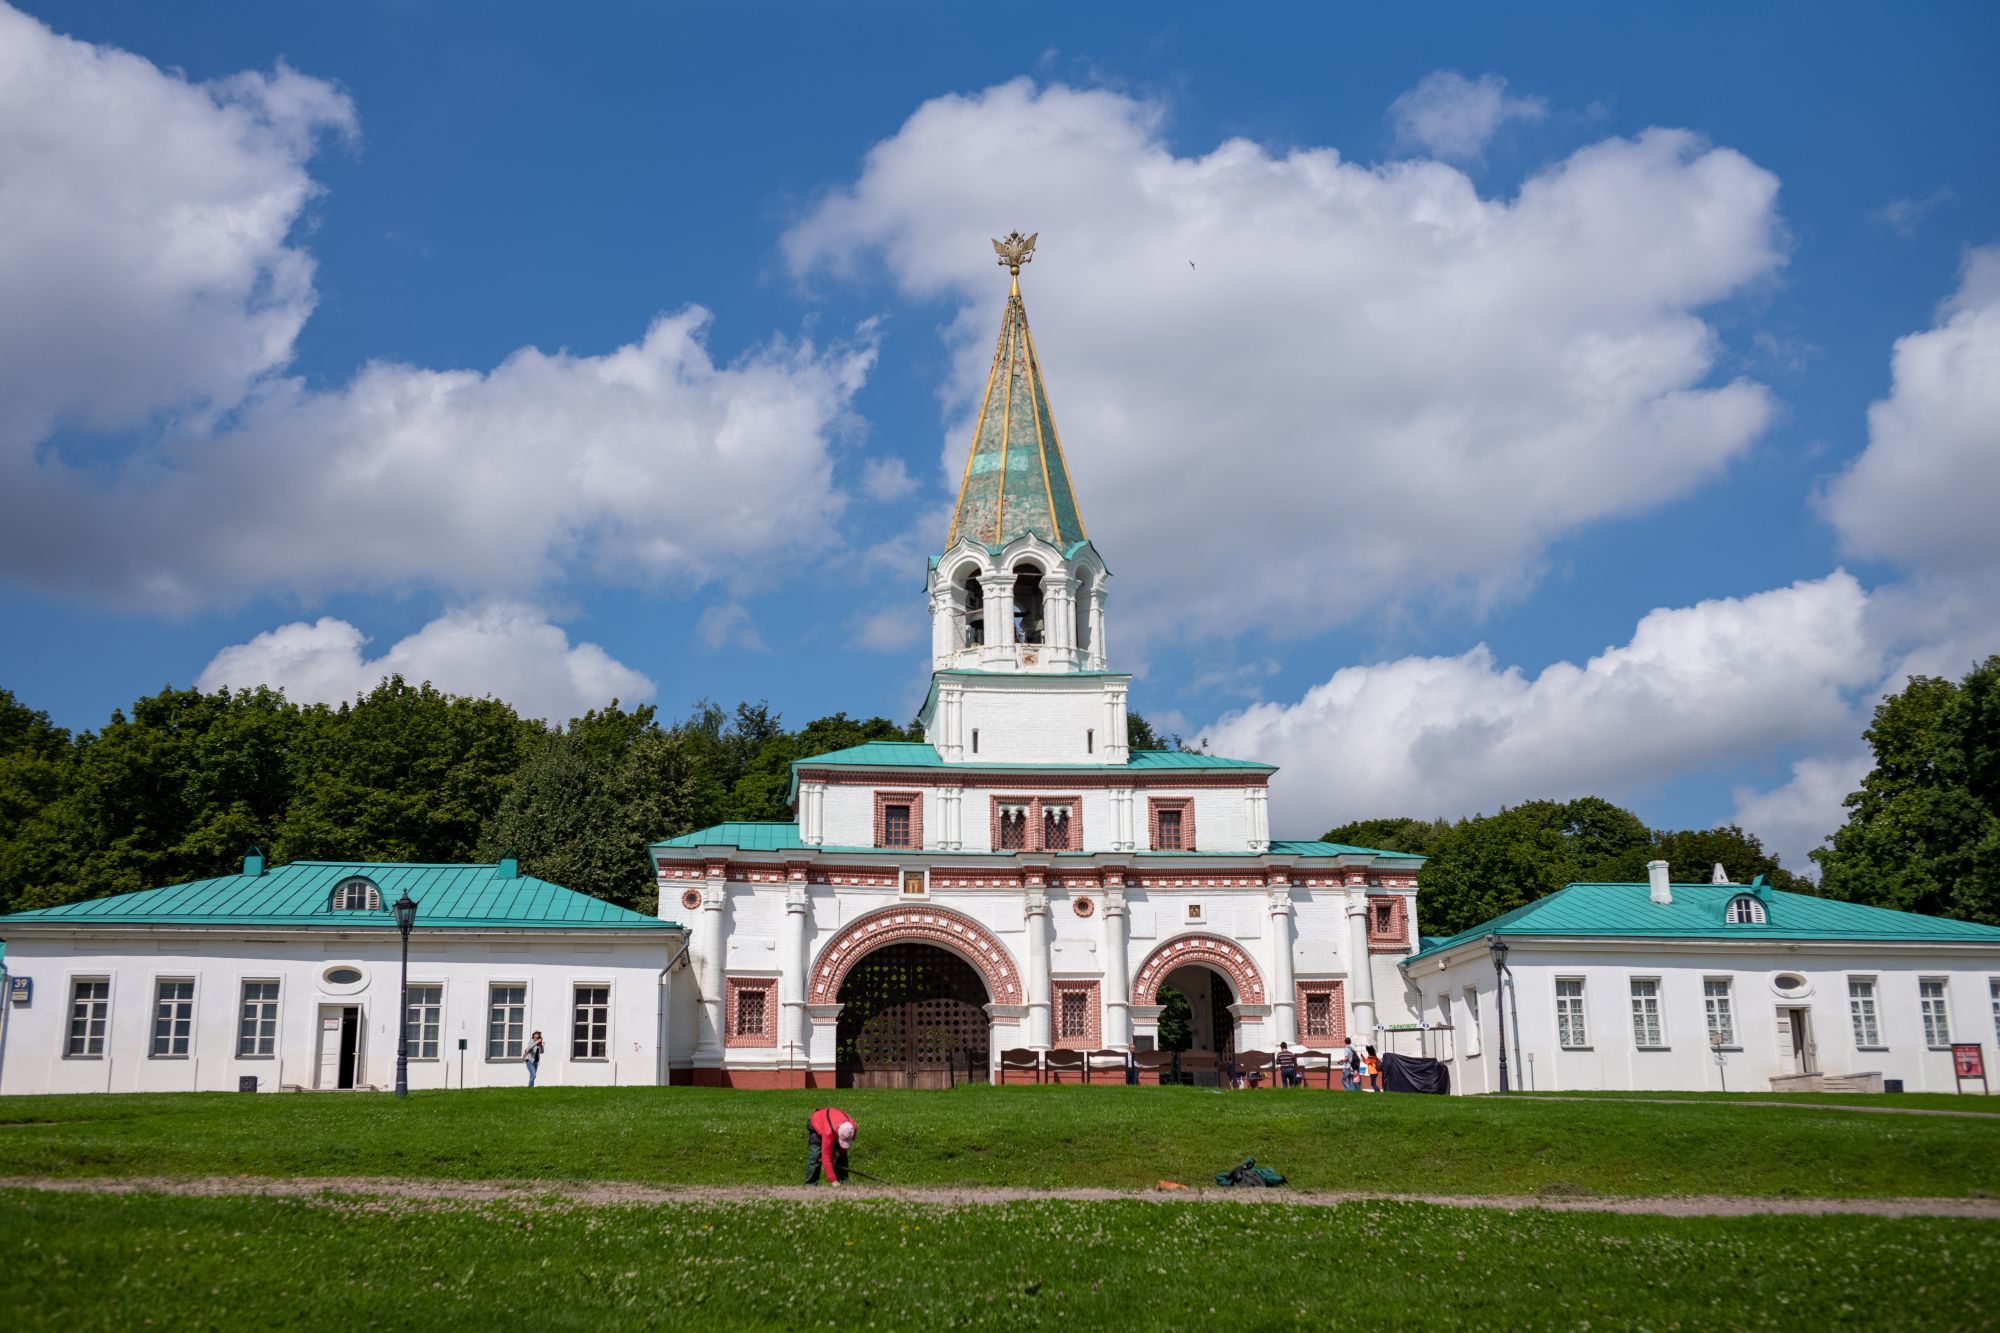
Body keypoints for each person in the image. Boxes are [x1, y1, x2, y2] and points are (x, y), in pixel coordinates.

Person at [805, 1106, 856, 1186]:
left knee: (842, 1157)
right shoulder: (828, 1133)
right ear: (837, 1133)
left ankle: (844, 1184)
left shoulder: (853, 1128)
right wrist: (833, 1181)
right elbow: (826, 1158)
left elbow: (843, 1148)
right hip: (817, 1124)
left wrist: (836, 1155)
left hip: (831, 1125)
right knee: (815, 1157)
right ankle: (809, 1186)